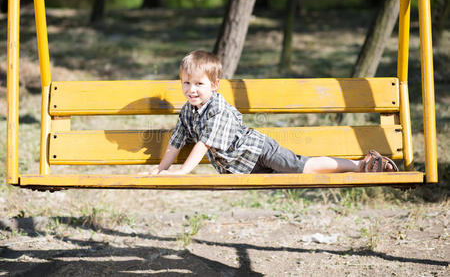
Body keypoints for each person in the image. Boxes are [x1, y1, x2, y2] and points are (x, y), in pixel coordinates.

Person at [150, 50, 398, 175]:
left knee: (300, 166)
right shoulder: (187, 112)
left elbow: (204, 144)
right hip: (242, 167)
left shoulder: (218, 110)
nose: (191, 90)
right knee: (293, 172)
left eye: (199, 84)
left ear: (214, 85)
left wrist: (182, 171)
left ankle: (359, 165)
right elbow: (176, 141)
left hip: (260, 151)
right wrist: (162, 170)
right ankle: (359, 164)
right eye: (186, 83)